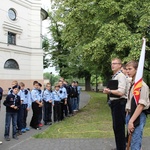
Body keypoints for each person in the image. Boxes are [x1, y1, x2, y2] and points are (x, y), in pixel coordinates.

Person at [103, 58, 128, 150]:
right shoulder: (115, 76)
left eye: (115, 63)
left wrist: (109, 91)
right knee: (116, 127)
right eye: (112, 63)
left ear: (120, 65)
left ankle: (121, 147)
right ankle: (119, 146)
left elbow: (121, 92)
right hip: (115, 103)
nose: (112, 65)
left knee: (119, 127)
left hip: (119, 103)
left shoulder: (120, 76)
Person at [126, 60, 149, 150]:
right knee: (131, 142)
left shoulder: (142, 86)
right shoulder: (132, 83)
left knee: (135, 142)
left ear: (137, 70)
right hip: (130, 114)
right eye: (127, 69)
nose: (128, 71)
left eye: (130, 69)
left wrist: (131, 121)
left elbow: (141, 105)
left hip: (137, 116)